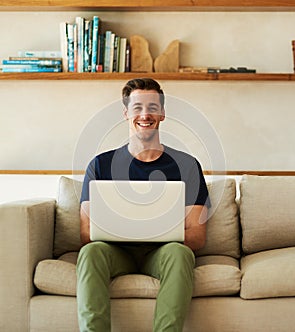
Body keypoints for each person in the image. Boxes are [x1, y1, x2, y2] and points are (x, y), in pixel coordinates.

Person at [77, 78, 211, 332]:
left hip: (161, 254)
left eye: (152, 107)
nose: (145, 114)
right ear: (126, 113)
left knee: (180, 253)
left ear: (162, 113)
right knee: (90, 253)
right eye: (137, 107)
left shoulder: (187, 165)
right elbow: (86, 233)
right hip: (116, 254)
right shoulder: (100, 165)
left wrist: (152, 230)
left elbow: (197, 236)